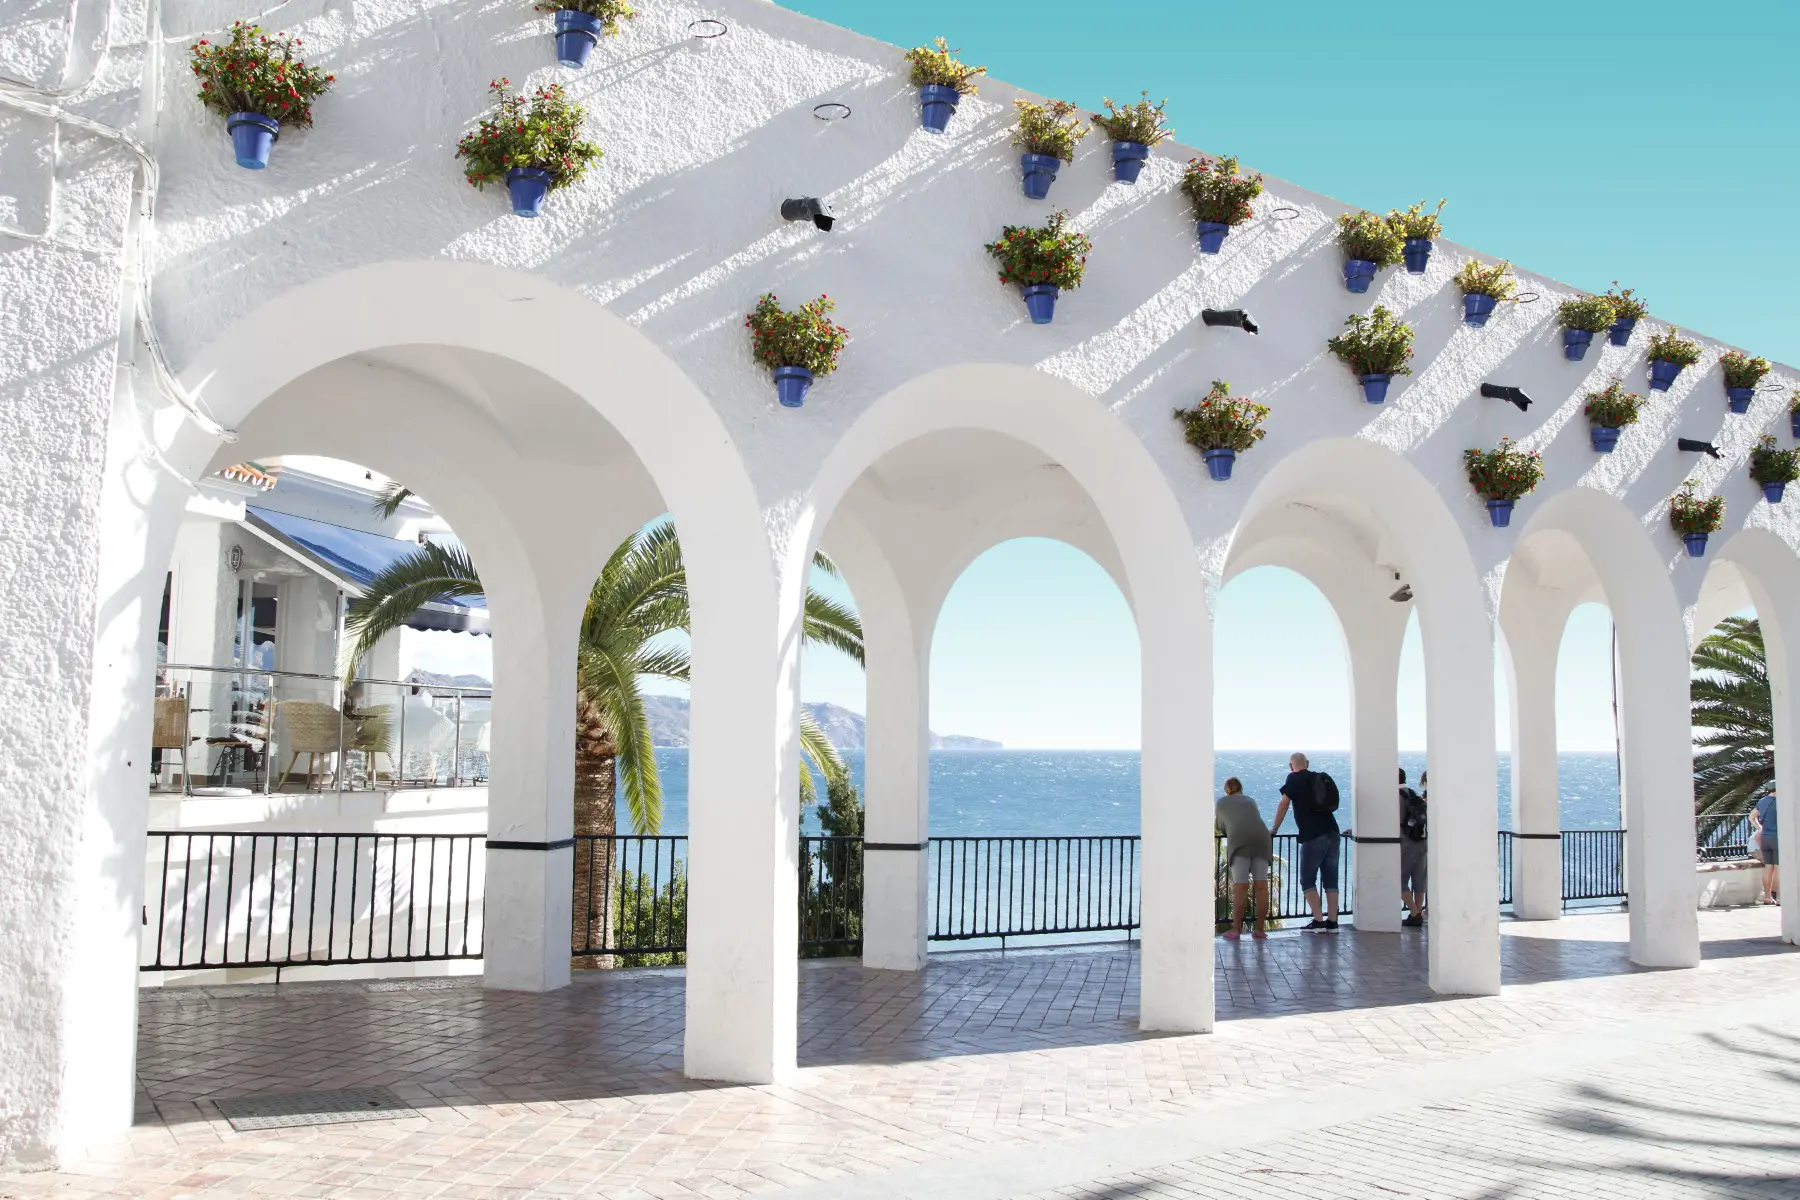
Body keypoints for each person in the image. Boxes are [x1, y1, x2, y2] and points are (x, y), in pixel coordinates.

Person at [1273, 752, 1339, 932]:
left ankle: (1318, 920)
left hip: (1313, 834)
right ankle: (1332, 922)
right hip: (1333, 831)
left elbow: (1284, 804)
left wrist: (1274, 829)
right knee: (1331, 878)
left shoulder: (1294, 779)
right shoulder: (1319, 777)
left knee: (1307, 879)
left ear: (1291, 766)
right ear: (1307, 763)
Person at [1216, 777, 1274, 941]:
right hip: (1262, 840)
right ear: (1241, 788)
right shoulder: (1250, 801)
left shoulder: (1221, 803)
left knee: (1240, 887)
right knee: (1261, 886)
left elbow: (1220, 826)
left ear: (1227, 790)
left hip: (1239, 842)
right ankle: (1260, 930)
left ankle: (1236, 930)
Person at [1398, 767, 1427, 927]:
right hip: (1422, 840)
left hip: (1406, 842)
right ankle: (1417, 913)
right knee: (1419, 880)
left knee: (1399, 880)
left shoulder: (1395, 797)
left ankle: (1415, 913)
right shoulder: (1412, 793)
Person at [1754, 791, 1780, 905]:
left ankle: (1767, 897)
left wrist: (1760, 828)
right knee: (1778, 868)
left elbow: (1751, 817)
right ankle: (1780, 898)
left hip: (1765, 838)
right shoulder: (1779, 802)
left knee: (1768, 867)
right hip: (1777, 838)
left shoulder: (1762, 801)